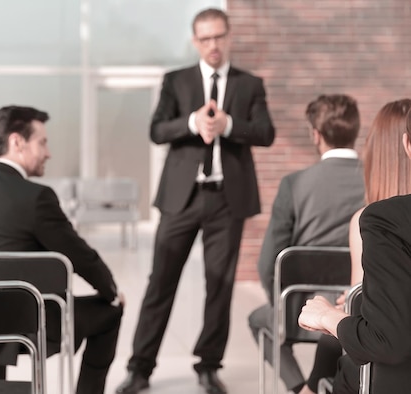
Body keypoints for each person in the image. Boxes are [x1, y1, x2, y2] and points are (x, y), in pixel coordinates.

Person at [115, 8, 275, 394]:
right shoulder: (176, 81)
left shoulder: (249, 84)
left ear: (228, 35)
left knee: (219, 286)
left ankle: (208, 366)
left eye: (218, 36)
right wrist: (192, 123)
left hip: (227, 200)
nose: (213, 45)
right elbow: (156, 130)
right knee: (160, 283)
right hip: (181, 199)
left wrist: (228, 125)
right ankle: (140, 368)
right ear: (195, 41)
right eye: (205, 39)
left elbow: (266, 133)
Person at [0, 105, 124, 394]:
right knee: (110, 313)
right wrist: (110, 290)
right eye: (43, 142)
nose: (48, 153)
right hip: (33, 325)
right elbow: (79, 255)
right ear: (17, 142)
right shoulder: (37, 198)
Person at [246, 94, 365, 393]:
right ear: (355, 131)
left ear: (316, 134)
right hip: (357, 308)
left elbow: (268, 262)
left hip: (302, 306)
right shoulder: (375, 180)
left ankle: (300, 388)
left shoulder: (295, 184)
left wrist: (282, 306)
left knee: (260, 320)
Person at [297, 98, 411, 394]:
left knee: (335, 352)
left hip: (387, 367)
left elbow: (383, 332)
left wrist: (328, 315)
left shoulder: (379, 221)